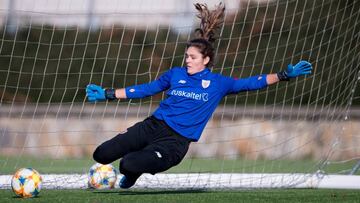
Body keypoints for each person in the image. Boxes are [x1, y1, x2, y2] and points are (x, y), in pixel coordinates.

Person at [86, 3, 312, 189]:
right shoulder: (175, 74)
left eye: (192, 57)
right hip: (152, 126)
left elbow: (253, 83)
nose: (187, 60)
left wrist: (283, 75)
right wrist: (108, 94)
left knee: (128, 164)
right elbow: (147, 88)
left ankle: (134, 172)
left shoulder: (219, 83)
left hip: (174, 143)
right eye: (186, 56)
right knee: (101, 154)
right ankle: (135, 161)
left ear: (206, 60)